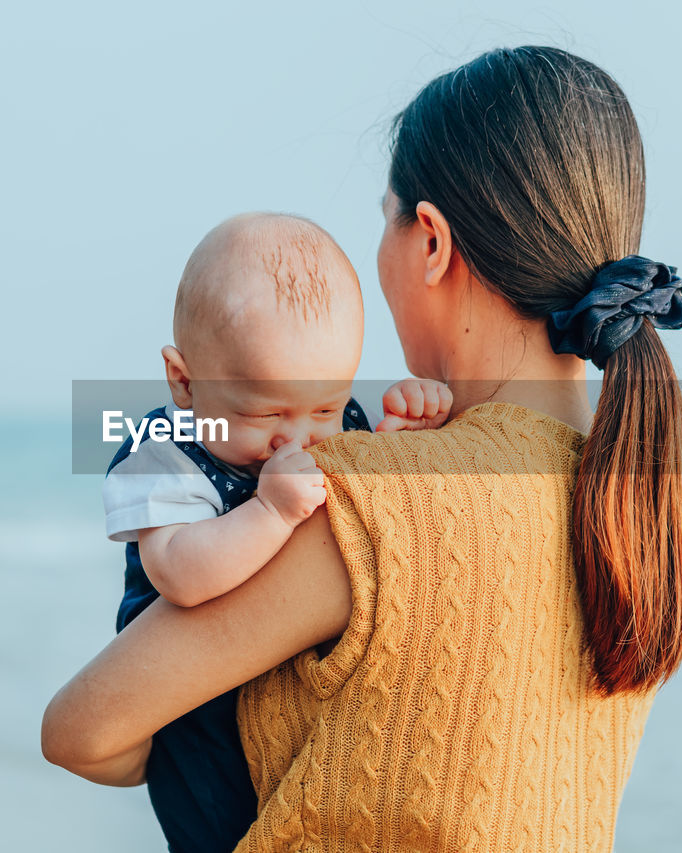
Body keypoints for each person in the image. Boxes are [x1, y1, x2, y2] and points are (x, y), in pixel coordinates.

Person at [44, 44, 682, 852]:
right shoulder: (630, 505)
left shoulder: (367, 498)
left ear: (430, 240)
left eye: (384, 219)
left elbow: (81, 730)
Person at [102, 212, 452, 852]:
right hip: (197, 712)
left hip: (290, 686)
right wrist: (269, 512)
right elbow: (179, 572)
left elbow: (360, 498)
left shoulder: (333, 424)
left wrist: (399, 441)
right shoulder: (165, 454)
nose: (297, 438)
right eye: (264, 413)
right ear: (185, 382)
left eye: (323, 407)